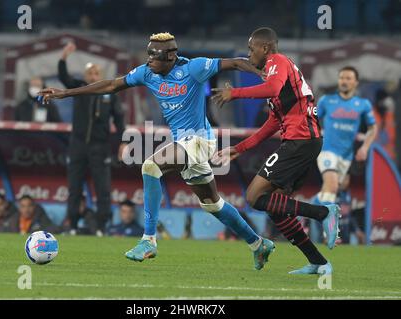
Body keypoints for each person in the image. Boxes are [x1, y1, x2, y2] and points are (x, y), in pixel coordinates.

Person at [39, 32, 273, 270]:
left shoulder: (194, 68)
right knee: (212, 204)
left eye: (154, 55)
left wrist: (259, 73)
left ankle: (148, 240)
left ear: (171, 56)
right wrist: (65, 93)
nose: (149, 59)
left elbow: (234, 62)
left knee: (150, 166)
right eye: (148, 53)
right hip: (184, 142)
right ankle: (258, 244)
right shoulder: (147, 73)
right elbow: (111, 84)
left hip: (201, 140)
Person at [211, 27, 340, 275]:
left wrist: (234, 93)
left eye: (251, 49)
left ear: (265, 48)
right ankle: (319, 262)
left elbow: (271, 89)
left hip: (301, 141)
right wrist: (240, 147)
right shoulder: (277, 74)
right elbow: (273, 122)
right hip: (300, 141)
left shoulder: (278, 62)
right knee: (275, 207)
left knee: (253, 196)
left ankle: (323, 212)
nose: (250, 55)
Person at [58, 42, 127, 236]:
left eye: (97, 73)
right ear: (85, 76)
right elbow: (64, 78)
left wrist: (123, 141)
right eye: (90, 73)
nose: (93, 76)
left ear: (101, 76)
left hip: (100, 146)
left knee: (103, 189)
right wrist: (63, 58)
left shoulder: (109, 93)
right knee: (74, 188)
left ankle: (101, 226)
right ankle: (72, 224)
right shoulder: (79, 89)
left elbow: (120, 118)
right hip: (78, 145)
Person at [312, 66, 377, 240]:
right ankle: (329, 232)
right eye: (341, 78)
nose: (344, 81)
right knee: (332, 186)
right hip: (327, 151)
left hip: (346, 156)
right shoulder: (326, 101)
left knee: (333, 190)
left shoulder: (363, 105)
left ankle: (313, 203)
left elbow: (373, 128)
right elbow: (312, 122)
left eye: (348, 78)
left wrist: (364, 147)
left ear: (355, 82)